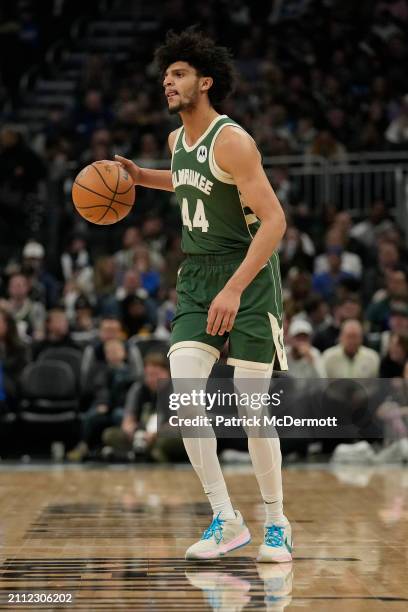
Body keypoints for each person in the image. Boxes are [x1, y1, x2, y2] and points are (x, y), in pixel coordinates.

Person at [114, 30, 291, 563]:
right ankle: (226, 519)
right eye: (166, 75)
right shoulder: (176, 142)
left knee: (250, 404)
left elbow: (276, 221)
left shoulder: (233, 140)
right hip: (196, 276)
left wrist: (236, 288)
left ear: (206, 81)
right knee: (187, 394)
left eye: (180, 74)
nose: (168, 82)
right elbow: (190, 181)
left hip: (249, 273)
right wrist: (142, 177)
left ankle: (277, 522)